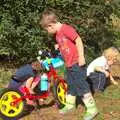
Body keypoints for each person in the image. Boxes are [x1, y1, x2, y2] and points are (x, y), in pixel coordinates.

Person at [39, 8, 98, 120]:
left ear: (50, 25)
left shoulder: (66, 29)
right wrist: (59, 47)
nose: (47, 32)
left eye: (46, 29)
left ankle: (92, 108)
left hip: (76, 62)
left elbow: (78, 40)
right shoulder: (57, 34)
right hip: (69, 64)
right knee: (70, 84)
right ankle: (70, 105)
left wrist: (81, 56)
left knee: (81, 85)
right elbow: (66, 45)